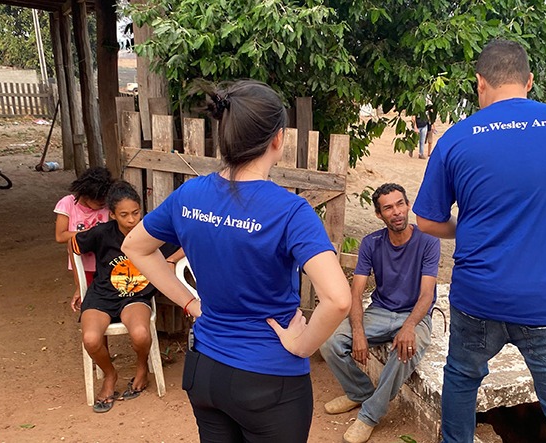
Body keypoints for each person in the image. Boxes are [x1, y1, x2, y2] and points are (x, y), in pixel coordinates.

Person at [121, 80, 352, 443]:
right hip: (269, 380)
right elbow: (339, 299)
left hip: (205, 373)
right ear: (278, 138)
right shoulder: (290, 212)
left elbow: (135, 246)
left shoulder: (190, 194)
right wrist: (303, 345)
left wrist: (189, 302)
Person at [412, 39, 546, 443]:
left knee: (462, 381)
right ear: (529, 81)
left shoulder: (456, 138)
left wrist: (465, 227)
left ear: (480, 82)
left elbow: (427, 222)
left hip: (479, 297)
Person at [320, 183, 440, 443]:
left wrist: (409, 327)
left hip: (415, 315)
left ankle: (370, 416)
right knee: (330, 341)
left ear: (408, 205)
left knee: (405, 351)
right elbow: (356, 290)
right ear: (379, 214)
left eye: (400, 204)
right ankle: (359, 391)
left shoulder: (428, 241)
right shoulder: (371, 242)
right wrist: (359, 331)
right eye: (388, 207)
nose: (396, 212)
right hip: (381, 310)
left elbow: (427, 294)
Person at [69, 180, 180, 413]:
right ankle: (110, 376)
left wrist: (170, 260)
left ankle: (142, 369)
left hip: (135, 297)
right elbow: (73, 244)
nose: (132, 220)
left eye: (136, 213)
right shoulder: (102, 234)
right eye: (124, 215)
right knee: (90, 339)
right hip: (101, 296)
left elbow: (186, 242)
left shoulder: (153, 232)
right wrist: (80, 285)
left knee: (140, 334)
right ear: (112, 215)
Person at [55, 167, 113, 290]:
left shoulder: (106, 206)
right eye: (99, 203)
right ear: (86, 196)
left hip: (105, 263)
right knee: (86, 293)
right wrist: (91, 233)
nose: (103, 205)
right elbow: (60, 236)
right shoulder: (68, 204)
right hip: (82, 263)